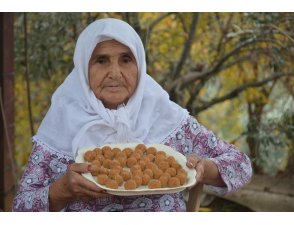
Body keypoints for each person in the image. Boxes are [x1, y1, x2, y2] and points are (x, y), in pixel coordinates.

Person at [12, 18, 252, 212]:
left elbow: (241, 164)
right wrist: (62, 190)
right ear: (84, 68)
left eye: (126, 60)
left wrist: (203, 169)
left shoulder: (167, 118)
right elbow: (20, 209)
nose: (114, 73)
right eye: (101, 60)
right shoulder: (62, 121)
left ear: (140, 66)